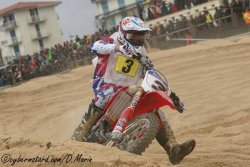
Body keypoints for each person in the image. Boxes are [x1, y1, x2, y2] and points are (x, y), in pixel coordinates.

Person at [71, 16, 195, 165]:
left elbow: (152, 74)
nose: (138, 40)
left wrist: (172, 96)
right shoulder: (113, 40)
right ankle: (81, 132)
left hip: (131, 90)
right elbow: (96, 46)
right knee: (105, 95)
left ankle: (173, 148)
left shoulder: (142, 53)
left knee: (156, 110)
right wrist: (119, 48)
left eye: (141, 36)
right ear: (124, 34)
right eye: (134, 36)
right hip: (105, 83)